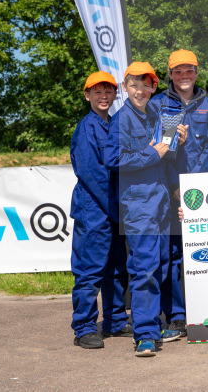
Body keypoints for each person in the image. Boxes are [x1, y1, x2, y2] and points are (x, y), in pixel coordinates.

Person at [104, 62, 188, 357]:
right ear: (125, 87)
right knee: (144, 270)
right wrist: (153, 152)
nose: (140, 90)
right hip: (139, 206)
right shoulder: (121, 120)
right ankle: (145, 335)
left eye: (146, 84)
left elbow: (166, 155)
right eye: (134, 84)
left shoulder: (155, 115)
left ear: (154, 87)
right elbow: (114, 159)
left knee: (162, 266)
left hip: (161, 202)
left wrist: (179, 142)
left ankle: (153, 322)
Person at [149, 49, 208, 338]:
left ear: (197, 71)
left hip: (201, 191)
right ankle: (177, 315)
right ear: (169, 74)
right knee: (174, 254)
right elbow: (156, 152)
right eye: (177, 71)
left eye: (189, 70)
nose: (183, 76)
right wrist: (177, 186)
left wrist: (197, 186)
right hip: (171, 191)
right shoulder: (157, 105)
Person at [69, 71, 127, 350]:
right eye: (97, 92)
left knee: (116, 270)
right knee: (89, 272)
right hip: (94, 210)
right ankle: (84, 327)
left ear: (116, 95)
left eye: (108, 92)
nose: (103, 97)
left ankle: (115, 322)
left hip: (114, 210)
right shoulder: (86, 127)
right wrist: (117, 209)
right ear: (87, 95)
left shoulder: (115, 124)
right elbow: (92, 174)